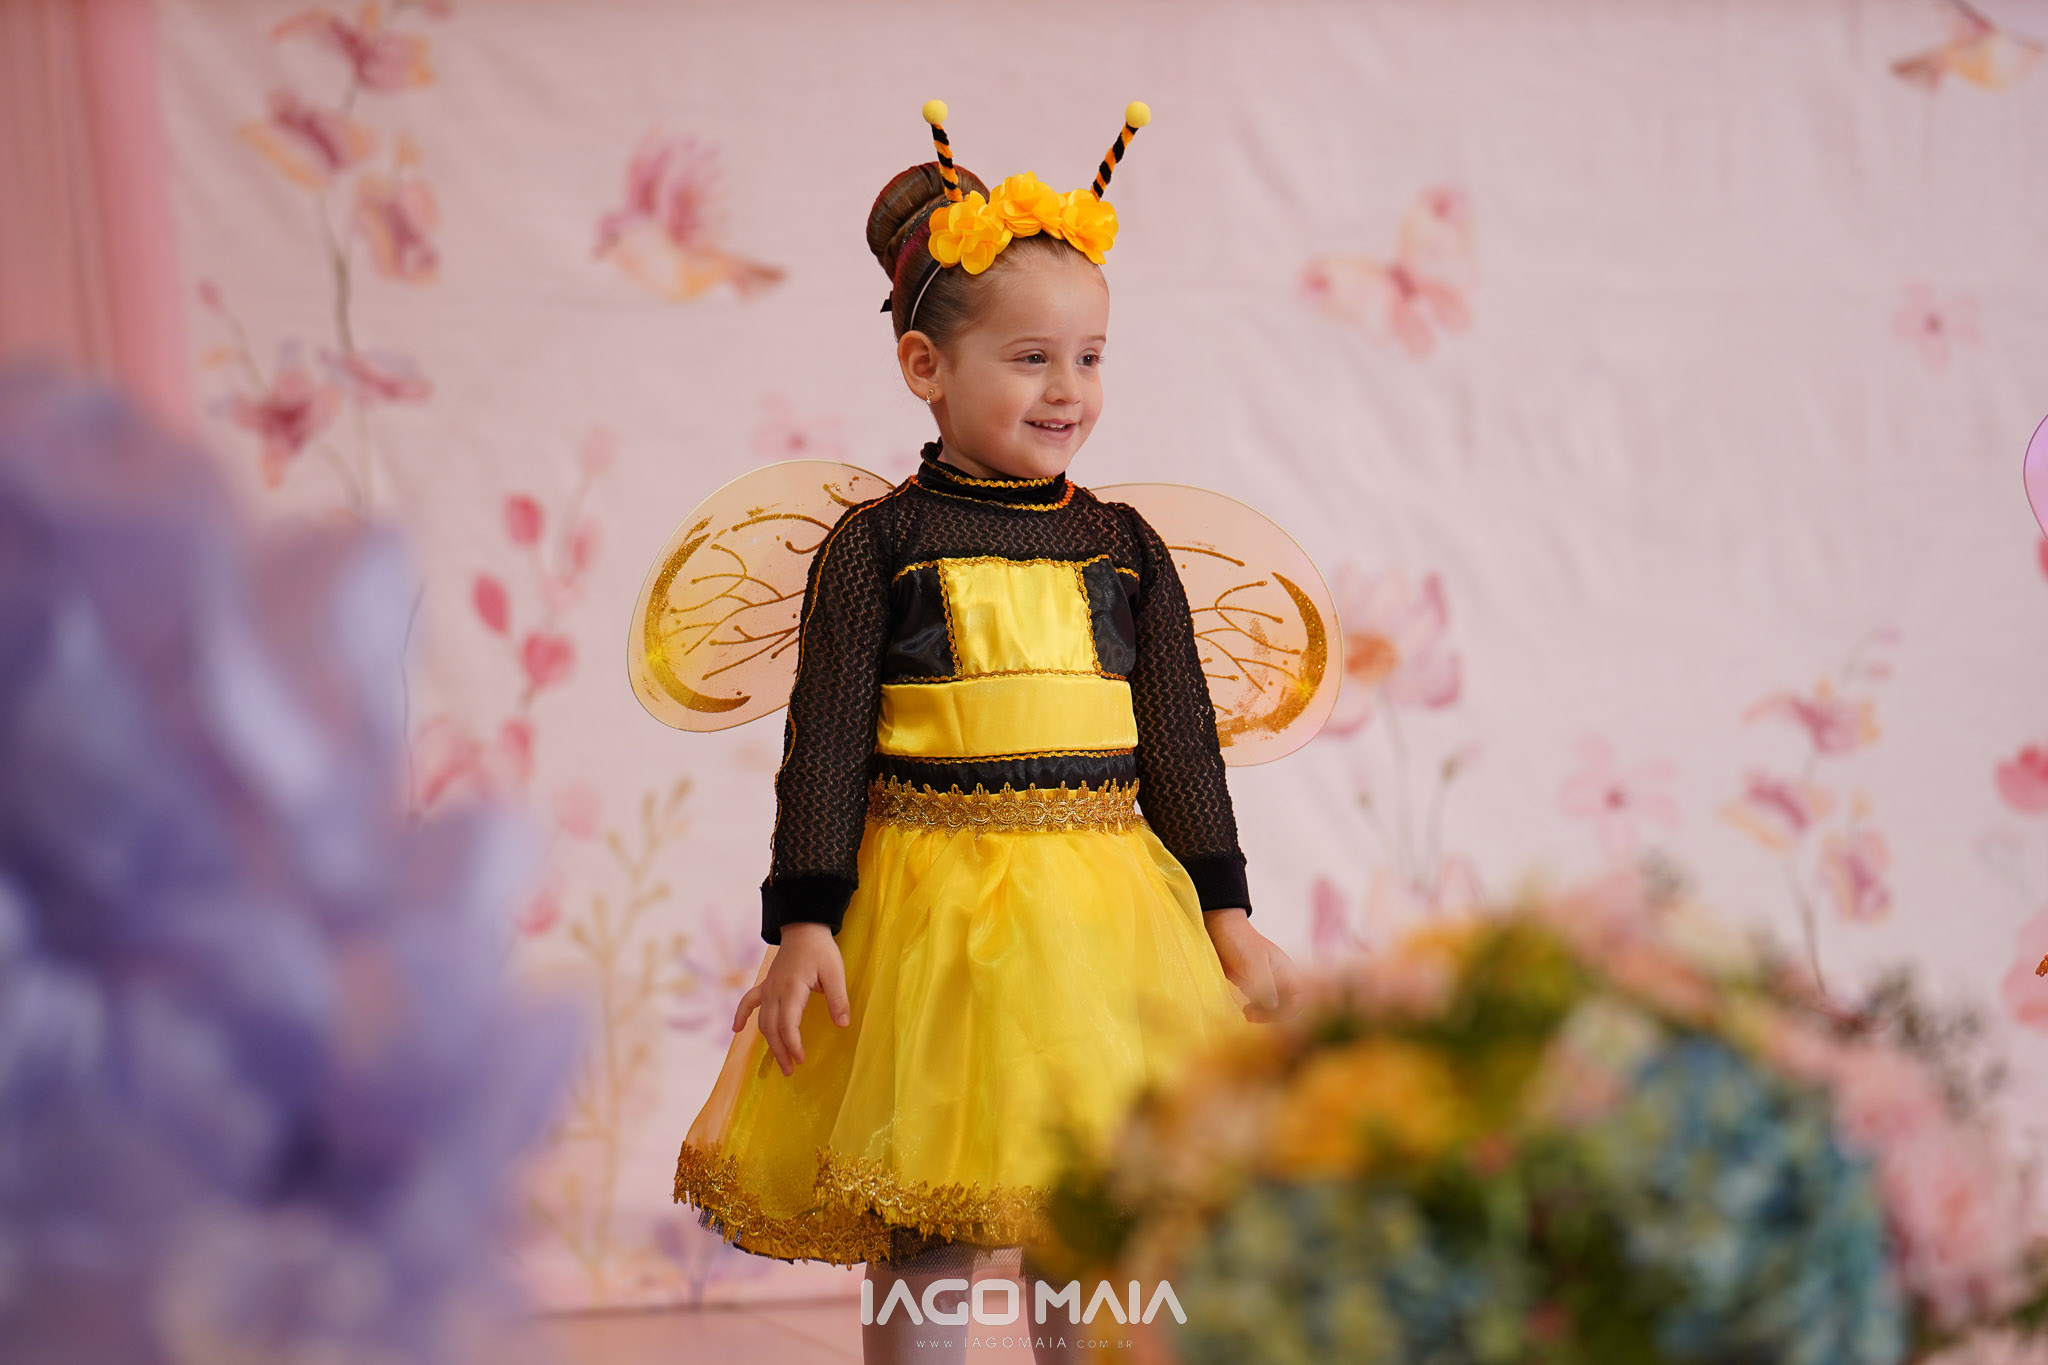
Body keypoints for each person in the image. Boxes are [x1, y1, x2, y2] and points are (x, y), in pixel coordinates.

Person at [671, 102, 1304, 1365]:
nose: (1067, 390)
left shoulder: (1123, 548)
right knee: (933, 1212)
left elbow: (1180, 746)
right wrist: (804, 922)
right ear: (925, 366)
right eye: (1029, 358)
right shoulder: (880, 547)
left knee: (1089, 1202)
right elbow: (825, 746)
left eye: (1090, 357)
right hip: (934, 924)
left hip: (1102, 924)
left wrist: (1226, 915)